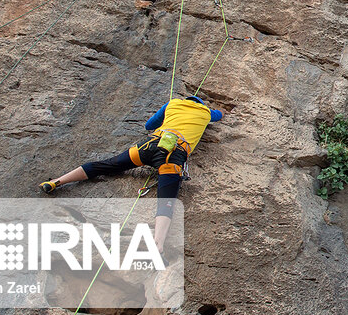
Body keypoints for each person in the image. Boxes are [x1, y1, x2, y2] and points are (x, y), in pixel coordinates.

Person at [39, 94, 223, 248]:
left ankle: (57, 181)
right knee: (166, 199)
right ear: (201, 104)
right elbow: (218, 115)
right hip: (172, 155)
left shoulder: (173, 103)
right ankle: (157, 244)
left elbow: (149, 125)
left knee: (107, 165)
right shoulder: (206, 113)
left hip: (148, 146)